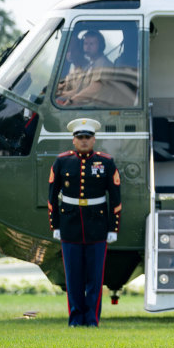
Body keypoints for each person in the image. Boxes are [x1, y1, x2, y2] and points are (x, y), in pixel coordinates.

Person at [48, 117, 122, 327]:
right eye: (80, 137)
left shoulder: (106, 162)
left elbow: (115, 197)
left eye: (87, 137)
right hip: (70, 226)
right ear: (73, 140)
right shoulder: (62, 162)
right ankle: (75, 318)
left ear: (94, 139)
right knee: (73, 278)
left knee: (95, 278)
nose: (83, 141)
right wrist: (55, 225)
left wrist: (113, 228)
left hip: (97, 226)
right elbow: (52, 196)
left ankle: (91, 319)